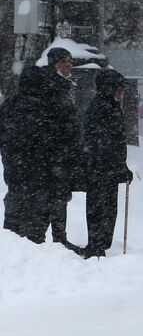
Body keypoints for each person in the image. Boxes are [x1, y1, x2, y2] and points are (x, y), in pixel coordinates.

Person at [0, 47, 82, 246]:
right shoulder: (48, 105)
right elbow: (64, 134)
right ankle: (40, 243)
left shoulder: (13, 104)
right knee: (41, 208)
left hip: (19, 168)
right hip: (42, 168)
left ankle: (15, 244)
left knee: (18, 210)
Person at [81, 69, 133, 258]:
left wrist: (121, 167)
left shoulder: (111, 107)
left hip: (107, 170)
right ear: (108, 88)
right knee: (100, 208)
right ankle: (96, 246)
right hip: (100, 170)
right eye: (118, 88)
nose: (121, 92)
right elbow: (102, 144)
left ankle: (100, 244)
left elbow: (115, 143)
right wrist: (116, 166)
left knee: (108, 209)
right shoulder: (101, 109)